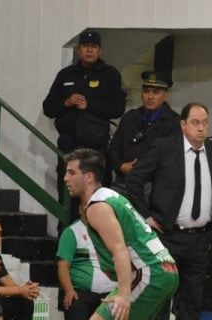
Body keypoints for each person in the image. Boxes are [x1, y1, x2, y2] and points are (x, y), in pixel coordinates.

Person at [63, 148, 177, 320]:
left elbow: (119, 250)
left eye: (71, 172)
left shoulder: (98, 206)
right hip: (162, 270)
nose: (65, 178)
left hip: (149, 271)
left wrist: (124, 293)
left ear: (89, 177)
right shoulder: (108, 198)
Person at [126, 102, 212, 320]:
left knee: (191, 303)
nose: (201, 128)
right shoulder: (165, 148)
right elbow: (134, 180)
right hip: (168, 236)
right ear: (183, 124)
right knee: (162, 301)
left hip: (200, 239)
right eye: (195, 122)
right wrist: (146, 216)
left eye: (205, 122)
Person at [42, 29, 126, 224]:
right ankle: (68, 245)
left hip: (96, 149)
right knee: (68, 199)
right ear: (79, 50)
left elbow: (117, 108)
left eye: (93, 47)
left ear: (100, 50)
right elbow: (48, 108)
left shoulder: (110, 75)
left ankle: (97, 246)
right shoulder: (66, 75)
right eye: (86, 47)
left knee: (97, 201)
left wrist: (90, 106)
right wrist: (66, 102)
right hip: (69, 147)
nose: (89, 50)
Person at [55, 211, 115, 320]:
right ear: (80, 209)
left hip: (111, 292)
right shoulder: (72, 232)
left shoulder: (112, 229)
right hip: (82, 291)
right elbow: (63, 266)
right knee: (74, 304)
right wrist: (68, 290)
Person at [108, 71, 180, 194]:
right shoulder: (130, 117)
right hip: (124, 180)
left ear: (165, 96)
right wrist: (121, 166)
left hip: (152, 184)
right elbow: (114, 147)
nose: (150, 97)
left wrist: (140, 171)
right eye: (146, 91)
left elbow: (170, 159)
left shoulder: (174, 122)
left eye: (156, 92)